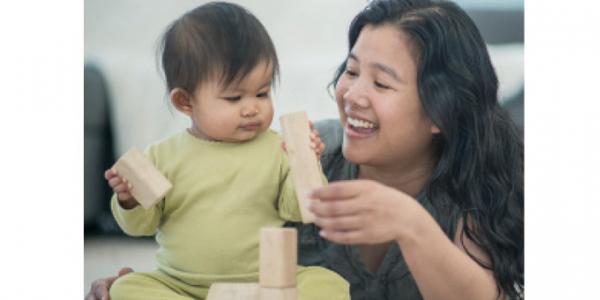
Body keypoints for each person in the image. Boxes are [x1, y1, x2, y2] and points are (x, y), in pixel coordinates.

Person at [87, 0, 524, 299]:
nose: (352, 95)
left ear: (440, 113)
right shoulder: (312, 152)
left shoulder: (472, 180)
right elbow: (208, 229)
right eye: (351, 71)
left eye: (382, 82)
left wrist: (411, 225)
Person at [101, 2, 349, 300]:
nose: (252, 108)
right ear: (185, 102)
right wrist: (129, 200)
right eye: (234, 98)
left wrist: (306, 162)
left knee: (328, 284)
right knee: (127, 288)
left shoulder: (278, 148)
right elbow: (142, 226)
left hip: (266, 282)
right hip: (180, 285)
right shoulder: (162, 156)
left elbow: (297, 209)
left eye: (262, 93)